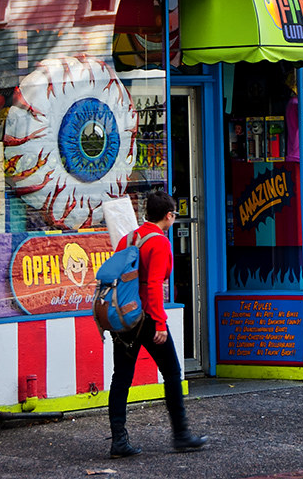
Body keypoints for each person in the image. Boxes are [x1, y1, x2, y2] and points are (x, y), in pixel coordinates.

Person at [107, 191, 208, 457]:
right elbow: (153, 285)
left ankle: (119, 441)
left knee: (121, 378)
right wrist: (160, 324)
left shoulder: (128, 239)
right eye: (173, 215)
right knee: (173, 373)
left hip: (125, 317)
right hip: (148, 319)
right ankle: (181, 434)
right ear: (169, 215)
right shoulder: (159, 242)